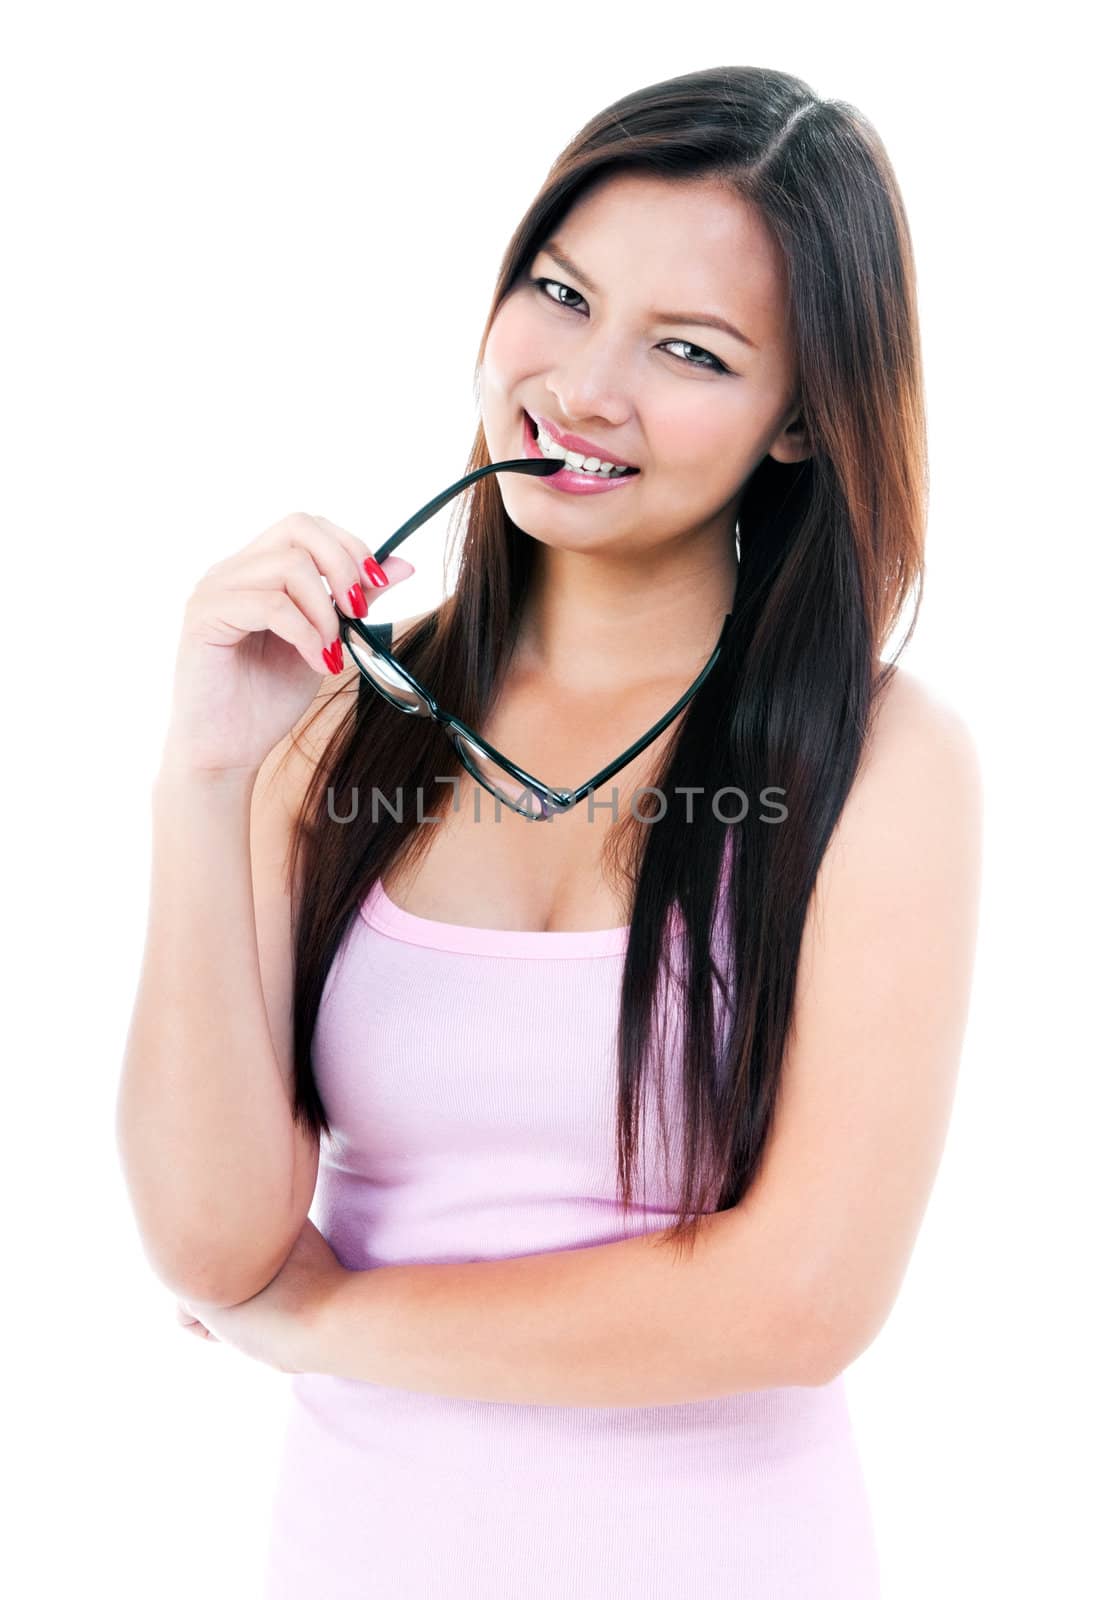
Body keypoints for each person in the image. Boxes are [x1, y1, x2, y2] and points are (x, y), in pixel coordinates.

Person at [117, 64, 983, 1599]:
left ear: (799, 423)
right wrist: (202, 781)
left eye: (692, 352)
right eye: (562, 293)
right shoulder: (329, 724)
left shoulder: (880, 758)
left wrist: (320, 1322)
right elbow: (212, 1241)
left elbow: (801, 1298)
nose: (585, 387)